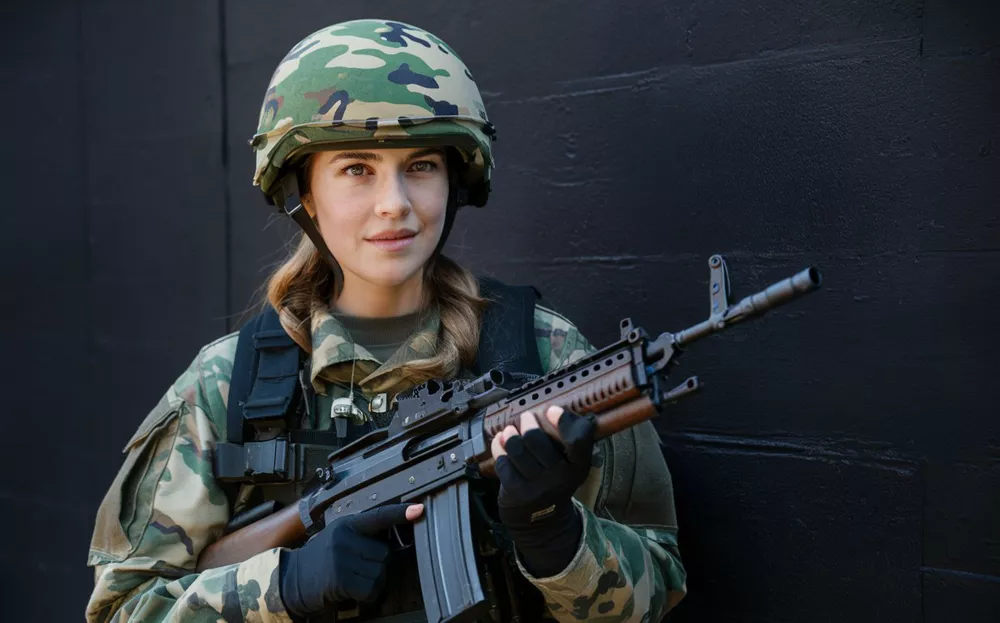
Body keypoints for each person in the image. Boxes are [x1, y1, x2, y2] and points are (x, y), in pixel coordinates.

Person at [86, 18, 687, 622]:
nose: (394, 202)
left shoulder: (545, 356)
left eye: (421, 165)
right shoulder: (224, 386)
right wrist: (283, 587)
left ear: (454, 180)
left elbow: (659, 589)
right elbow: (120, 609)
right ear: (306, 193)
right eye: (356, 168)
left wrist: (555, 536)